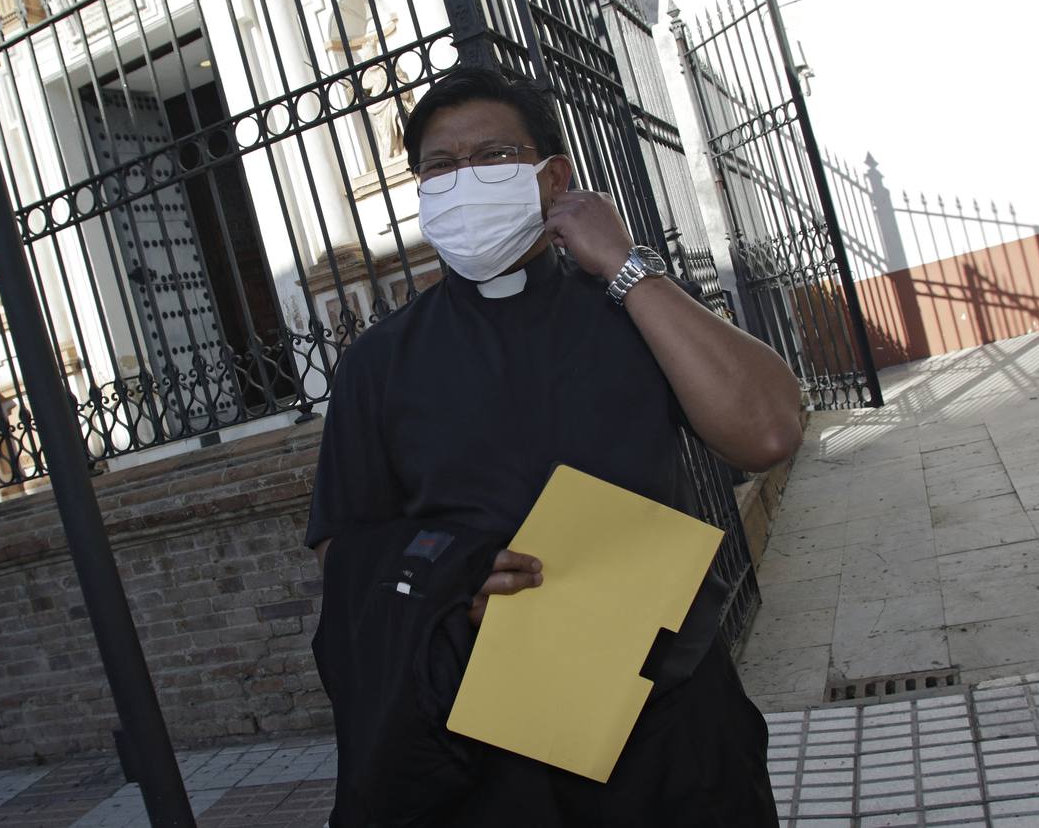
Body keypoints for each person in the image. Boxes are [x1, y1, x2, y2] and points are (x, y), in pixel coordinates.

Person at [306, 67, 804, 825]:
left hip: (668, 708)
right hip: (494, 734)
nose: (463, 180)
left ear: (553, 177)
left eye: (494, 156)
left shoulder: (633, 312)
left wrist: (623, 265)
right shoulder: (379, 363)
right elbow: (345, 549)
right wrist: (453, 582)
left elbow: (767, 433)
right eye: (439, 166)